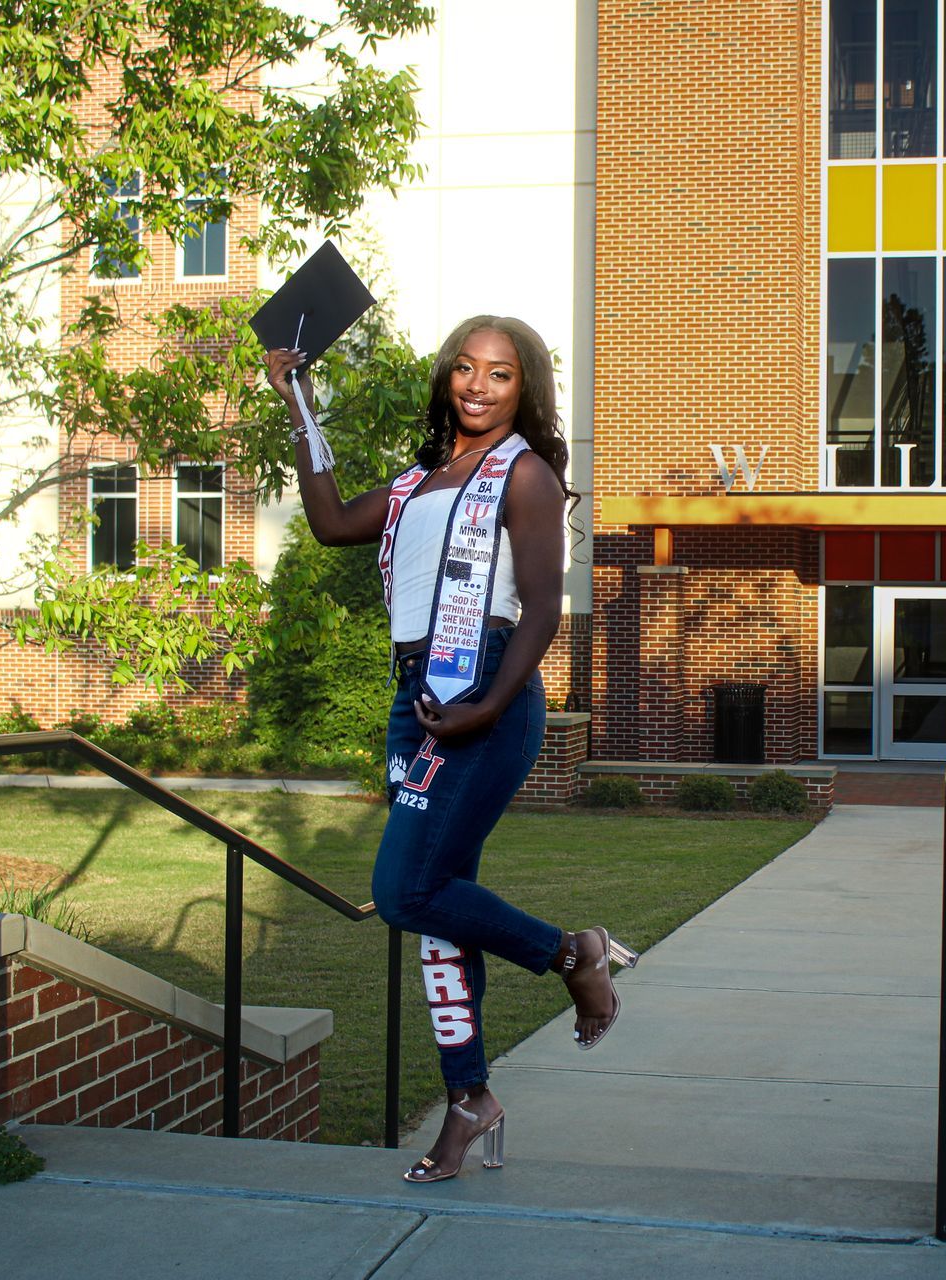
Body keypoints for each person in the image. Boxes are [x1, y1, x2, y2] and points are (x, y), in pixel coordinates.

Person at [265, 316, 636, 1184]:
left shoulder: (528, 476)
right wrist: (299, 404)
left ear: (524, 389)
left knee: (403, 889)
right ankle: (469, 1097)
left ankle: (571, 953)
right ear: (446, 380)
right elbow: (326, 521)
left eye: (500, 374)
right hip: (419, 700)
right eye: (464, 369)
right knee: (438, 906)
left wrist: (487, 705)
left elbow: (543, 608)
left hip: (484, 697)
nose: (477, 385)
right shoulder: (416, 484)